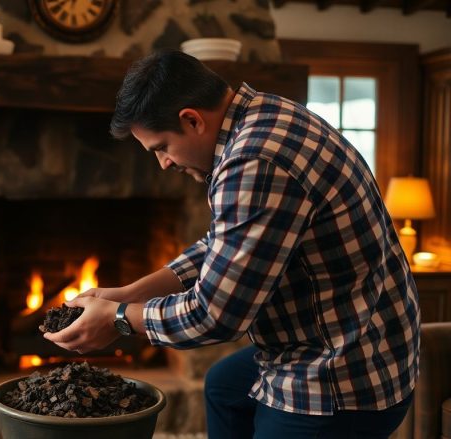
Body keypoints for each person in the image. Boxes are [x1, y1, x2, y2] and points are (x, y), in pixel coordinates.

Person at [43, 49, 420, 439]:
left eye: (161, 148)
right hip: (359, 339)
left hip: (341, 374)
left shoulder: (254, 160)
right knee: (223, 385)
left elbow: (215, 316)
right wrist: (129, 293)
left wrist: (119, 319)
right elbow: (223, 245)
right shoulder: (261, 113)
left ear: (192, 120)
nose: (164, 165)